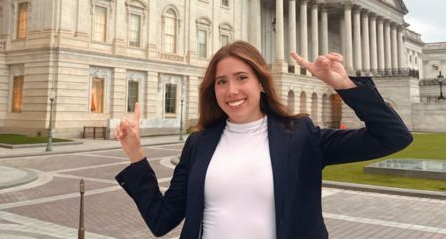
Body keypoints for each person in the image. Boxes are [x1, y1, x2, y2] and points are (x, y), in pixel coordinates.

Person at [114, 41, 413, 239]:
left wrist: (343, 85)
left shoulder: (301, 136)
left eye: (241, 77)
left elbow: (393, 137)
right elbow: (161, 220)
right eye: (222, 81)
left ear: (261, 83)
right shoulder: (199, 143)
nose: (231, 90)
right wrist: (136, 156)